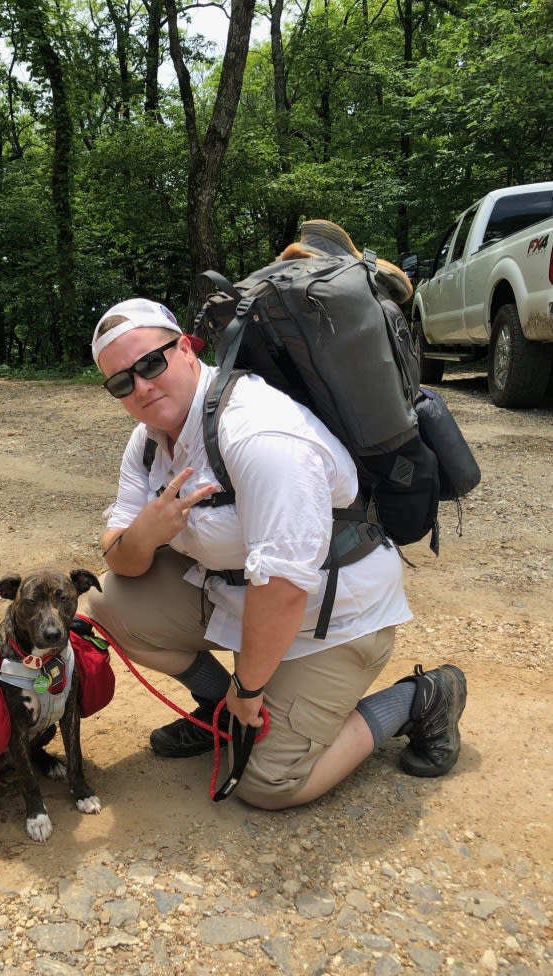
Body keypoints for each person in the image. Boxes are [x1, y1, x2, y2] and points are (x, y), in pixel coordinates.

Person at [83, 296, 467, 809]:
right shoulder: (149, 440)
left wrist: (248, 686)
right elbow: (121, 559)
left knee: (270, 785)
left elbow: (285, 588)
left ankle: (421, 698)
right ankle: (222, 715)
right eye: (121, 382)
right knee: (110, 606)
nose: (142, 387)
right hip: (243, 599)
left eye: (151, 363)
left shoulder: (258, 432)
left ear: (188, 348)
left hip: (331, 618)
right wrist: (147, 533)